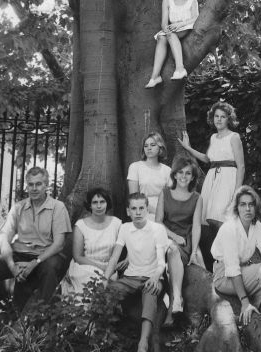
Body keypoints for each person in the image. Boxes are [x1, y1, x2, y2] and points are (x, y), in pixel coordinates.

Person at [0, 166, 72, 321]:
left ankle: (39, 318)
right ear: (26, 186)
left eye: (38, 184)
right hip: (19, 254)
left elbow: (59, 244)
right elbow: (5, 240)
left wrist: (35, 262)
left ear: (46, 185)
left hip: (45, 256)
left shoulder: (57, 207)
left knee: (51, 268)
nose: (34, 188)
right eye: (30, 184)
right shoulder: (18, 207)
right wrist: (12, 266)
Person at [178, 101, 245, 269]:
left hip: (228, 179)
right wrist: (188, 147)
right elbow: (208, 159)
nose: (219, 120)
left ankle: (230, 261)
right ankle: (212, 261)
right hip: (212, 179)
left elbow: (241, 166)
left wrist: (237, 192)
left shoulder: (234, 137)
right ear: (212, 118)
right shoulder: (213, 137)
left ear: (229, 119)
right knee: (206, 219)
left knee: (222, 218)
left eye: (223, 117)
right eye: (216, 116)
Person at [211, 185, 261, 325]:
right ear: (237, 208)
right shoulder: (229, 228)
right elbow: (233, 269)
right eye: (243, 204)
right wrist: (244, 302)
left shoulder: (257, 225)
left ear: (256, 207)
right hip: (224, 276)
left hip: (243, 271)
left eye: (251, 204)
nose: (247, 209)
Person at [103, 193, 168, 352]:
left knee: (150, 290)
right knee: (109, 291)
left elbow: (161, 262)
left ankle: (143, 342)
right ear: (128, 211)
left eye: (141, 208)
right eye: (134, 208)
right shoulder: (125, 228)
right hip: (130, 277)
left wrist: (155, 277)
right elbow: (115, 257)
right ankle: (106, 334)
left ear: (147, 210)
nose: (138, 212)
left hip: (153, 276)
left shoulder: (157, 229)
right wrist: (105, 279)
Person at [155, 156, 203, 326]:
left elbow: (197, 226)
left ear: (193, 177)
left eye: (188, 173)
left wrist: (195, 250)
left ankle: (177, 309)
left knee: (199, 266)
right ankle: (177, 299)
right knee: (171, 250)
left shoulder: (197, 198)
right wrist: (174, 237)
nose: (184, 176)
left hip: (187, 239)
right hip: (167, 236)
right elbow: (158, 222)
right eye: (180, 172)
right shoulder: (165, 193)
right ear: (174, 174)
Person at [61, 187, 122, 296]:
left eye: (102, 202)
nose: (99, 206)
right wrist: (100, 267)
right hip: (84, 266)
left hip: (109, 267)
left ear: (107, 203)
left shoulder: (117, 223)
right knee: (92, 285)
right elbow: (78, 257)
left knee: (106, 288)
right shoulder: (81, 225)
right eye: (95, 202)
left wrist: (108, 268)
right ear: (90, 205)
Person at [145, 0, 199, 88]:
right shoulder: (167, 1)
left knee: (169, 34)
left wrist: (180, 24)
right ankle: (155, 77)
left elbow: (195, 18)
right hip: (172, 29)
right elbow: (164, 23)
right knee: (161, 37)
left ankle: (180, 68)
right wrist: (167, 29)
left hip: (186, 26)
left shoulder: (192, 2)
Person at [127, 132, 171, 220]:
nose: (149, 148)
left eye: (153, 145)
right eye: (146, 146)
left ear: (160, 147)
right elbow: (134, 197)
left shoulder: (167, 170)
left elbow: (170, 197)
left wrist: (163, 213)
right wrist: (155, 211)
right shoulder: (135, 167)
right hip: (142, 210)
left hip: (164, 210)